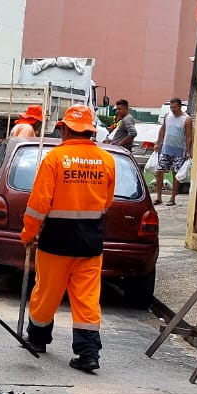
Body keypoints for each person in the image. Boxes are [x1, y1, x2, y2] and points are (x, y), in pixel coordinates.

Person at [20, 105, 117, 373]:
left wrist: (28, 234)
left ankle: (38, 339)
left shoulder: (54, 159)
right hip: (90, 242)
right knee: (87, 298)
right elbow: (107, 202)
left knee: (47, 292)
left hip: (56, 240)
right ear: (89, 131)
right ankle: (88, 353)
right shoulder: (106, 160)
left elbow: (38, 204)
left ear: (64, 129)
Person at [154, 97, 192, 206]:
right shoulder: (168, 116)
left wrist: (188, 151)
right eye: (171, 107)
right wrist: (158, 142)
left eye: (175, 107)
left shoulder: (187, 119)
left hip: (179, 151)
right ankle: (158, 197)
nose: (173, 109)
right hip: (166, 149)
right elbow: (163, 130)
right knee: (159, 172)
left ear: (180, 106)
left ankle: (172, 197)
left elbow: (189, 137)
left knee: (176, 174)